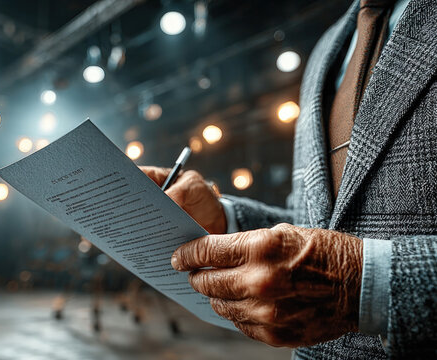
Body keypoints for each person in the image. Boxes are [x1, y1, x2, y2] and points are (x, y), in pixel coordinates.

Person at [142, 0, 436, 358]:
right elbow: (314, 228)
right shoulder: (329, 48)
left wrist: (367, 285)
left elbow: (338, 262)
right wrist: (223, 220)